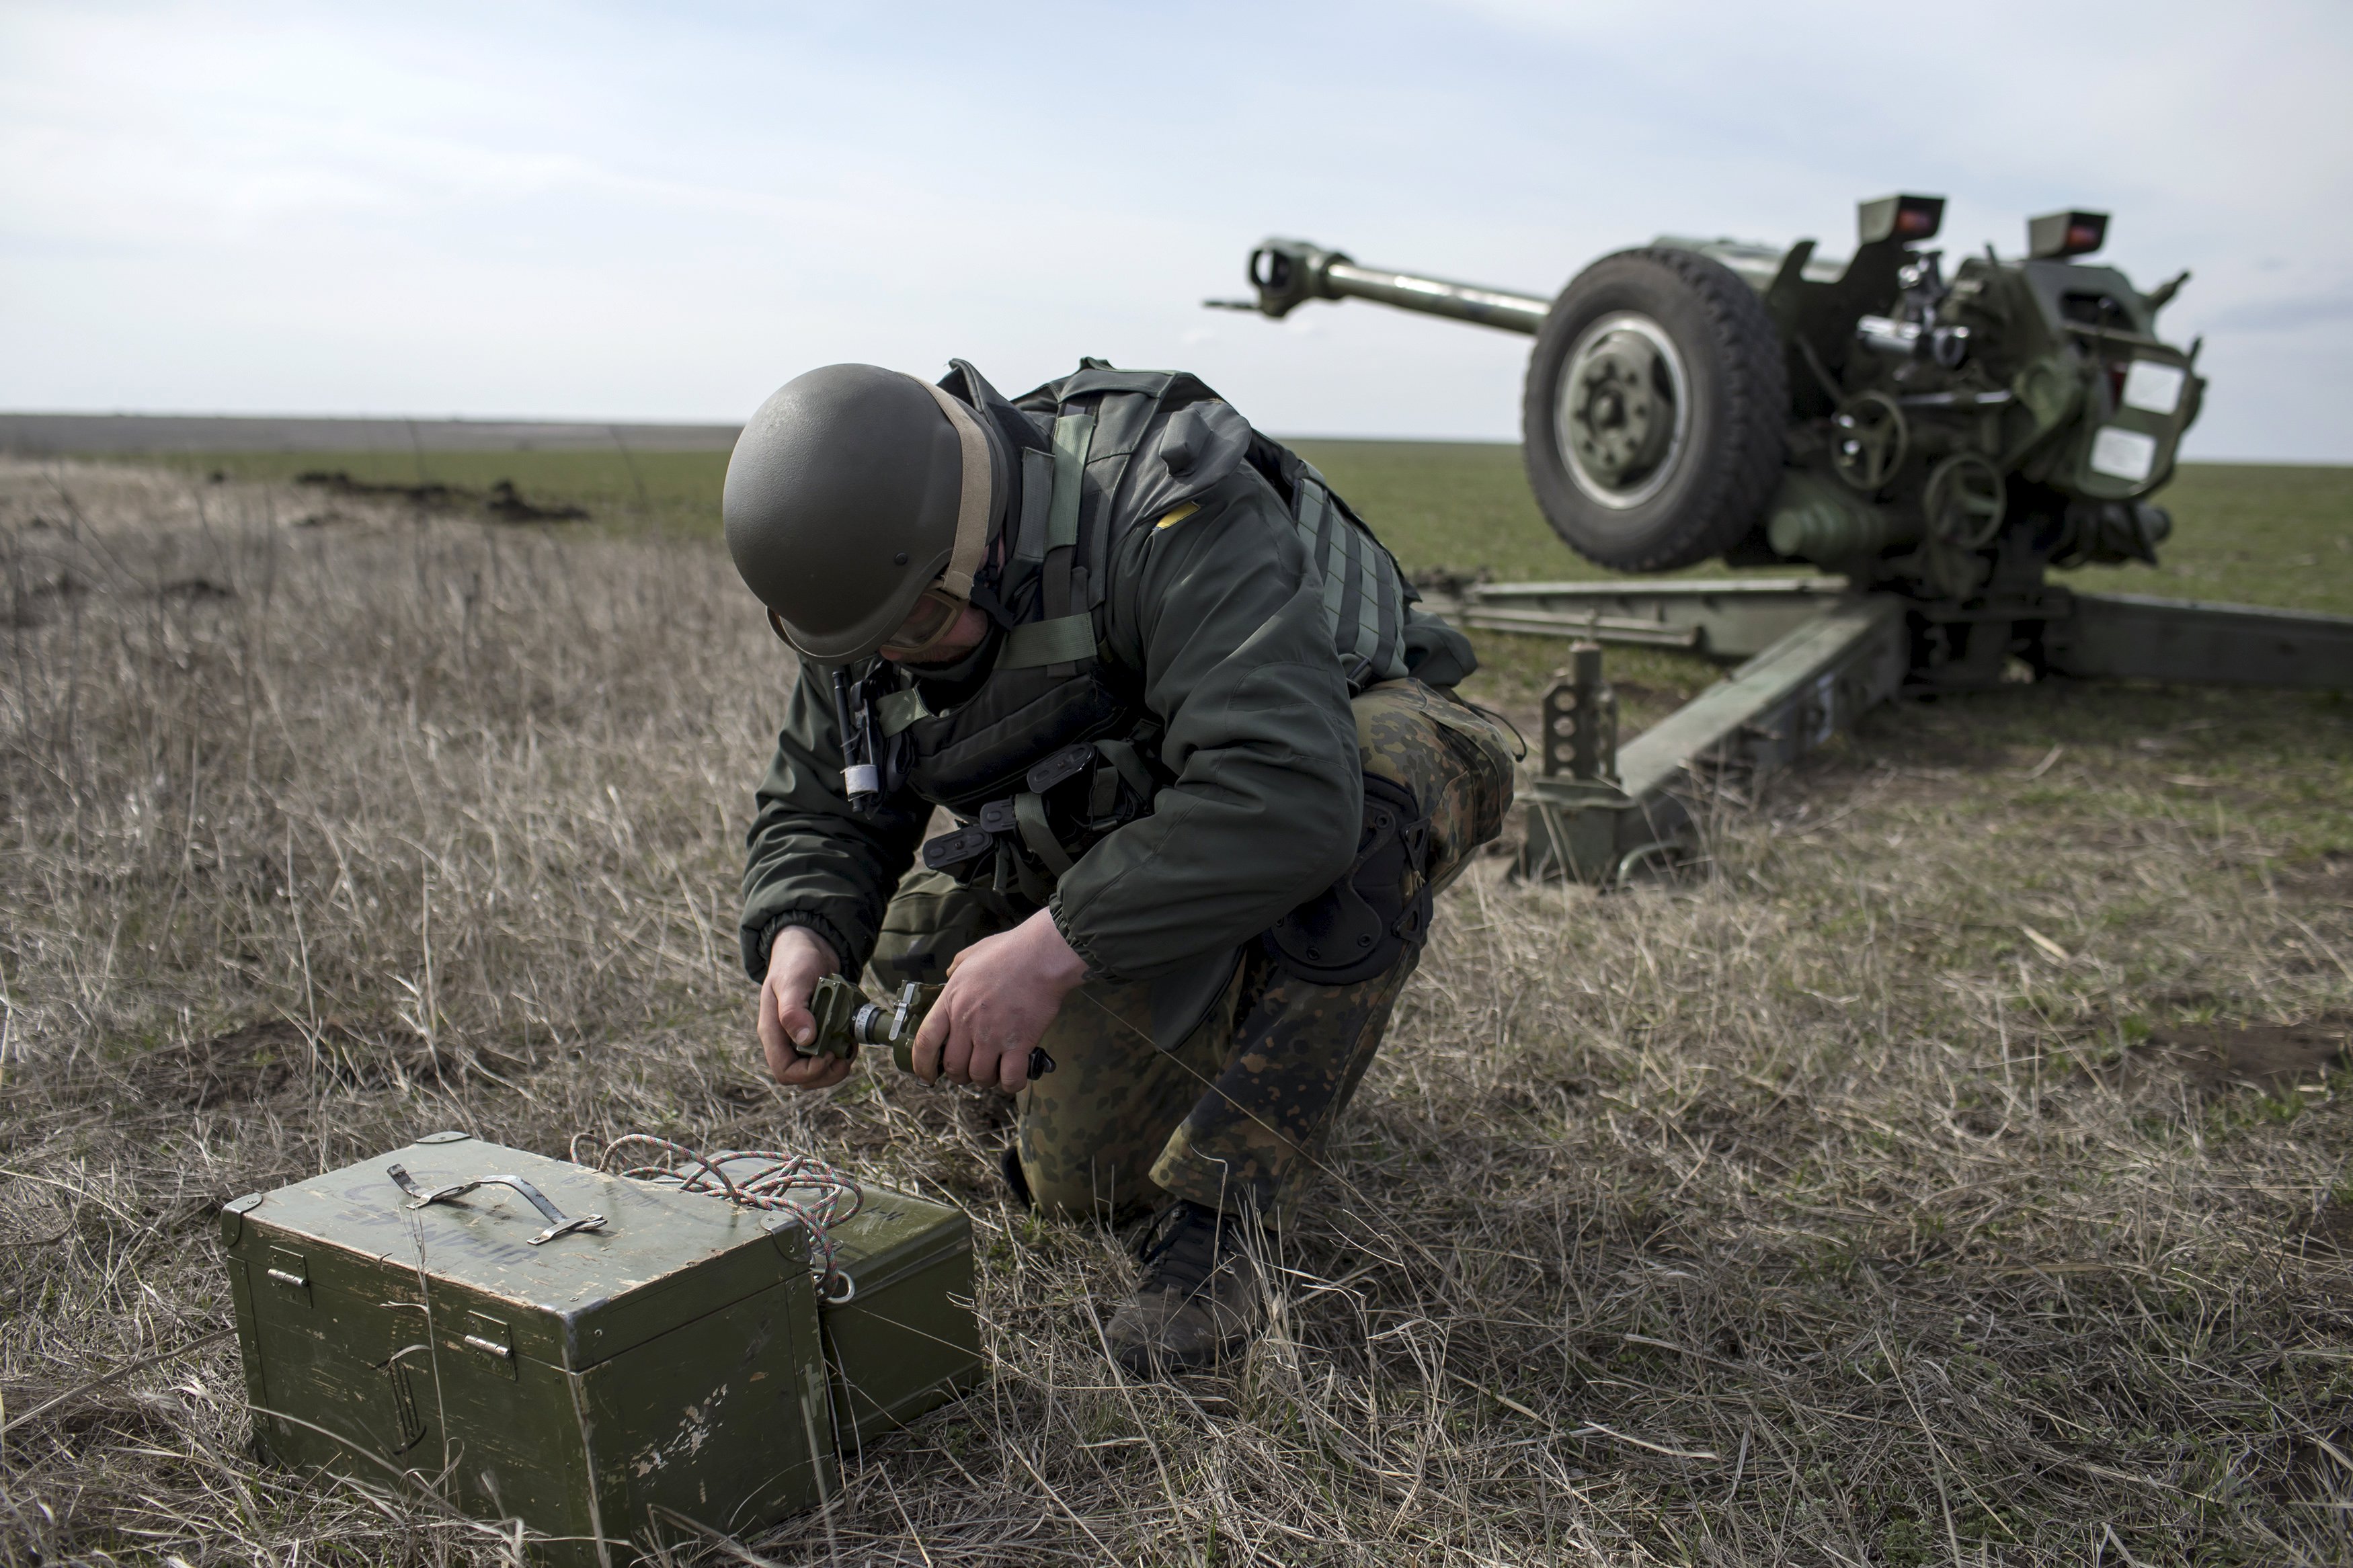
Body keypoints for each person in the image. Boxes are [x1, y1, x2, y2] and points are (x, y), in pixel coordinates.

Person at [726, 358, 1515, 1373]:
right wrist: (802, 935)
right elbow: (826, 801)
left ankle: (1223, 1225)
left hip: (1336, 752)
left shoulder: (1159, 499)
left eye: (922, 624)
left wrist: (1051, 950)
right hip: (1149, 817)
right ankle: (1191, 1016)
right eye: (868, 646)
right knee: (1081, 1181)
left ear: (975, 541)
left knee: (1371, 808)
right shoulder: (869, 576)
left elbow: (1286, 787)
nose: (900, 659)